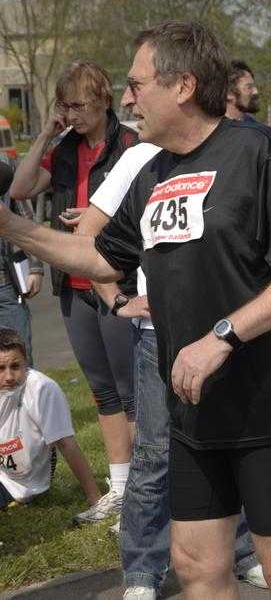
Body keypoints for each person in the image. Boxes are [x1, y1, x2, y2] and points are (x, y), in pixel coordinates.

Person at [0, 21, 271, 600]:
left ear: (183, 86)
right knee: (198, 568)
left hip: (269, 405)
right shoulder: (153, 170)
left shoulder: (258, 151)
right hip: (191, 410)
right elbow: (99, 256)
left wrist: (221, 337)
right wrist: (11, 226)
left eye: (137, 84)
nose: (128, 99)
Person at [78, 142, 267, 599]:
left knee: (230, 444)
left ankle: (242, 551)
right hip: (158, 335)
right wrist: (118, 300)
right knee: (156, 453)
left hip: (225, 332)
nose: (133, 108)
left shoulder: (234, 149)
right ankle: (143, 570)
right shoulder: (140, 159)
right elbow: (88, 235)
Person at [9, 61, 139, 523]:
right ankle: (119, 488)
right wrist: (47, 132)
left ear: (103, 100)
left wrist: (99, 214)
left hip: (117, 279)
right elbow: (20, 188)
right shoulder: (65, 149)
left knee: (132, 393)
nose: (73, 114)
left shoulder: (129, 145)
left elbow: (145, 203)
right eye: (66, 106)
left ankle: (144, 488)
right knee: (102, 391)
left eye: (80, 105)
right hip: (73, 283)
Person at [0, 327, 101, 510]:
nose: (9, 377)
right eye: (0, 368)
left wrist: (94, 497)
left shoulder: (42, 389)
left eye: (15, 366)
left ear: (26, 362)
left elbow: (66, 444)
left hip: (19, 485)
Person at [0, 161, 43, 366]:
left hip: (5, 286)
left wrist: (35, 267)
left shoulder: (4, 169)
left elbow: (27, 222)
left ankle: (24, 389)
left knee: (19, 354)